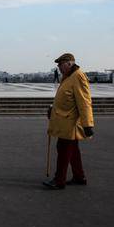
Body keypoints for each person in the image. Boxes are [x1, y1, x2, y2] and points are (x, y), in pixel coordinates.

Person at [44, 53, 94, 190]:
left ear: (69, 63)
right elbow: (66, 99)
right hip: (65, 121)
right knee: (73, 150)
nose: (59, 67)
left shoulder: (78, 76)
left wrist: (88, 123)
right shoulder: (68, 77)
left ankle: (59, 180)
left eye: (60, 64)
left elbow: (84, 102)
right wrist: (52, 108)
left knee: (64, 149)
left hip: (70, 122)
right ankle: (79, 176)